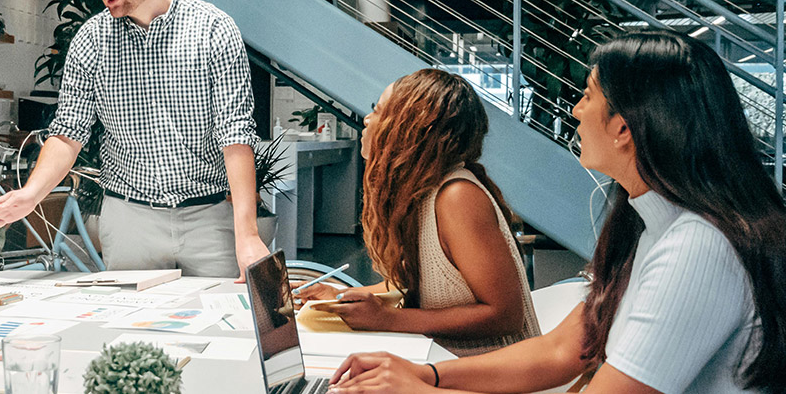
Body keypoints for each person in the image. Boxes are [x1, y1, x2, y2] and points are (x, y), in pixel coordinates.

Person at [325, 31, 786, 393]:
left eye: (588, 95)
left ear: (624, 128)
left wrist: (420, 388)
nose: (576, 109)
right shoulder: (648, 228)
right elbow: (562, 350)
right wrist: (426, 375)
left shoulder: (696, 248)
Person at [0, 0, 269, 280]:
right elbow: (68, 132)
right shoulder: (92, 40)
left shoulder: (213, 29)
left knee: (222, 313)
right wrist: (31, 194)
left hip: (208, 217)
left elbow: (235, 135)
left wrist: (248, 234)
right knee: (130, 318)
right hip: (129, 220)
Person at [294, 68, 539, 357]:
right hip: (444, 363)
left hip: (496, 372)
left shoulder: (457, 197)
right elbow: (415, 285)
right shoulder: (420, 192)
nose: (367, 119)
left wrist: (388, 319)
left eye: (379, 111)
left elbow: (505, 315)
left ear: (413, 128)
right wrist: (339, 296)